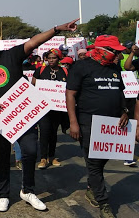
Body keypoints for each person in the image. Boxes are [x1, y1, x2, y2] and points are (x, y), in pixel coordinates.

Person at [0, 19, 78, 212]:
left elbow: (34, 42)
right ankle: (4, 194)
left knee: (30, 151)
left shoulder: (12, 55)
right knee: (2, 157)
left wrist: (57, 29)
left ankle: (28, 190)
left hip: (23, 114)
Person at [66, 35, 128, 218]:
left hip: (113, 124)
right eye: (115, 52)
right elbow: (70, 95)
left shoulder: (114, 67)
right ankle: (103, 202)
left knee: (106, 156)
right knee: (93, 162)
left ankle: (93, 186)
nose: (119, 55)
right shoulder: (81, 67)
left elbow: (120, 91)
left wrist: (125, 110)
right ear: (101, 51)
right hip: (88, 122)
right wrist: (73, 123)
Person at [32, 49, 69, 169]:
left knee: (53, 132)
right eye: (49, 58)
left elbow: (69, 87)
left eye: (54, 58)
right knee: (44, 132)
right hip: (44, 108)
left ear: (59, 59)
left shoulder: (64, 71)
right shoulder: (41, 70)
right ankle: (43, 158)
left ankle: (52, 157)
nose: (51, 60)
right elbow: (33, 85)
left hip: (57, 109)